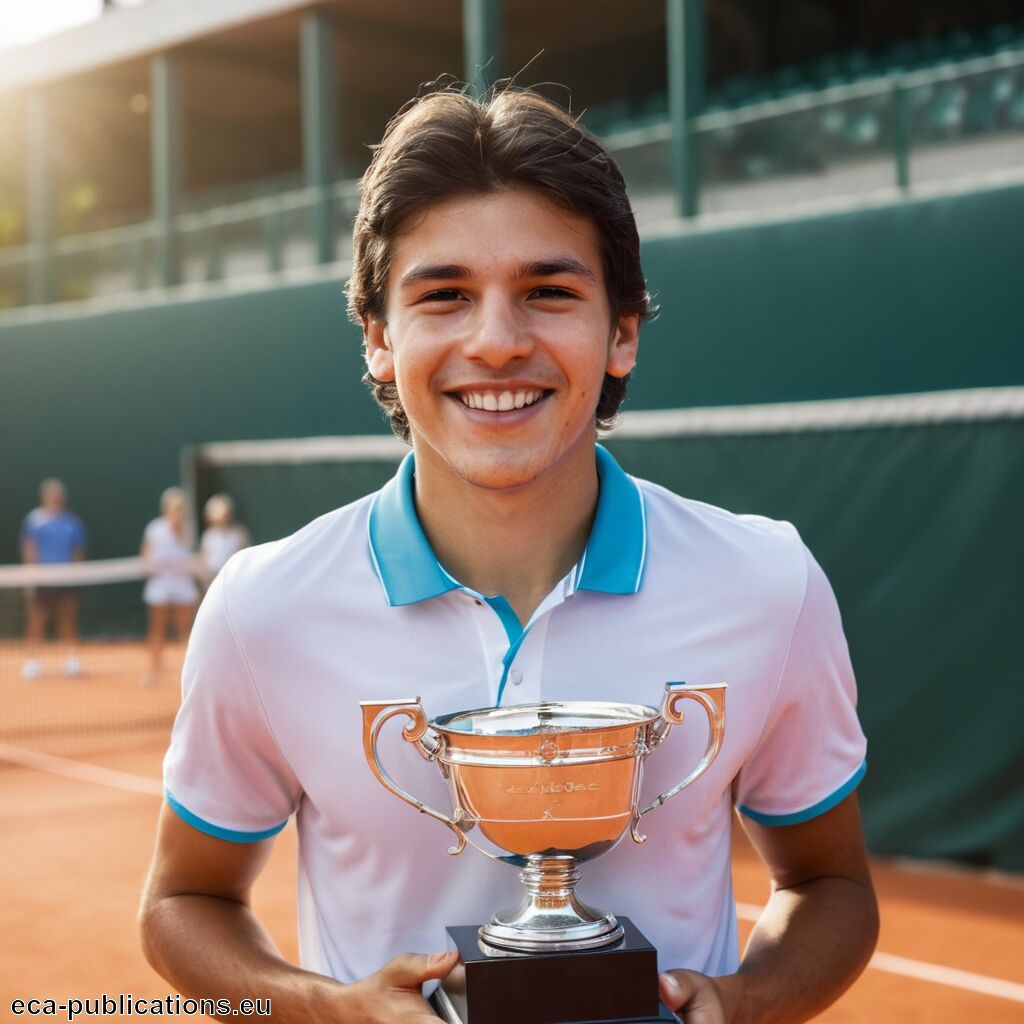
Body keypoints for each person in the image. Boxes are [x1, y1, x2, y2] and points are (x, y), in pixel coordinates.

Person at [140, 87, 879, 1023]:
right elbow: (182, 903)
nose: (496, 342)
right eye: (444, 294)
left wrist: (743, 1002)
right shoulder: (261, 610)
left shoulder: (769, 583)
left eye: (549, 292)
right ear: (377, 338)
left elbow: (830, 884)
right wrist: (326, 1009)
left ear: (622, 333)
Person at [19, 478, 87, 680]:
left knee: (67, 619)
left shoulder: (72, 522)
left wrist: (76, 572)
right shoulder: (34, 520)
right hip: (42, 579)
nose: (56, 498)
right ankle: (32, 661)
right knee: (36, 619)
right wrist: (32, 575)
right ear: (45, 496)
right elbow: (29, 547)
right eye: (52, 495)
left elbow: (77, 550)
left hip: (65, 579)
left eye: (59, 495)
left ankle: (71, 659)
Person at [140, 487, 199, 688]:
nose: (178, 510)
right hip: (160, 585)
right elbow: (145, 552)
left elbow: (188, 546)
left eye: (181, 507)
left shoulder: (188, 529)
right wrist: (149, 566)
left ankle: (189, 676)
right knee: (158, 629)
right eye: (175, 506)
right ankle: (154, 672)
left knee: (185, 630)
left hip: (182, 585)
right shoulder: (154, 528)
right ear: (166, 507)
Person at [198, 493, 250, 585]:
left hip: (234, 578)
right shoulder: (208, 536)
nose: (222, 518)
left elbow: (245, 556)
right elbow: (204, 560)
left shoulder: (239, 533)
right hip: (213, 579)